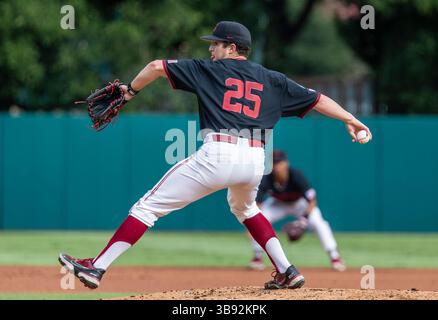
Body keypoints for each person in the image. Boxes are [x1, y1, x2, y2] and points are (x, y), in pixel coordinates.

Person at [58, 21, 372, 290]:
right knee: (246, 208)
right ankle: (287, 271)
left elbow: (156, 67)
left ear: (232, 47)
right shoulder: (272, 79)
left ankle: (96, 267)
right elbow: (317, 100)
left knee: (147, 208)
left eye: (216, 44)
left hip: (219, 152)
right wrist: (352, 119)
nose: (211, 49)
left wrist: (129, 91)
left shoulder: (210, 70)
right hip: (255, 160)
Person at [249, 150, 346, 272]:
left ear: (286, 163)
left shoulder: (296, 175)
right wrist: (253, 223)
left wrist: (304, 219)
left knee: (319, 223)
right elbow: (258, 204)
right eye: (274, 163)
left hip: (299, 204)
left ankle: (335, 257)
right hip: (277, 204)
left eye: (279, 162)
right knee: (258, 219)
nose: (277, 166)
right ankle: (257, 257)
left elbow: (312, 200)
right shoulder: (266, 178)